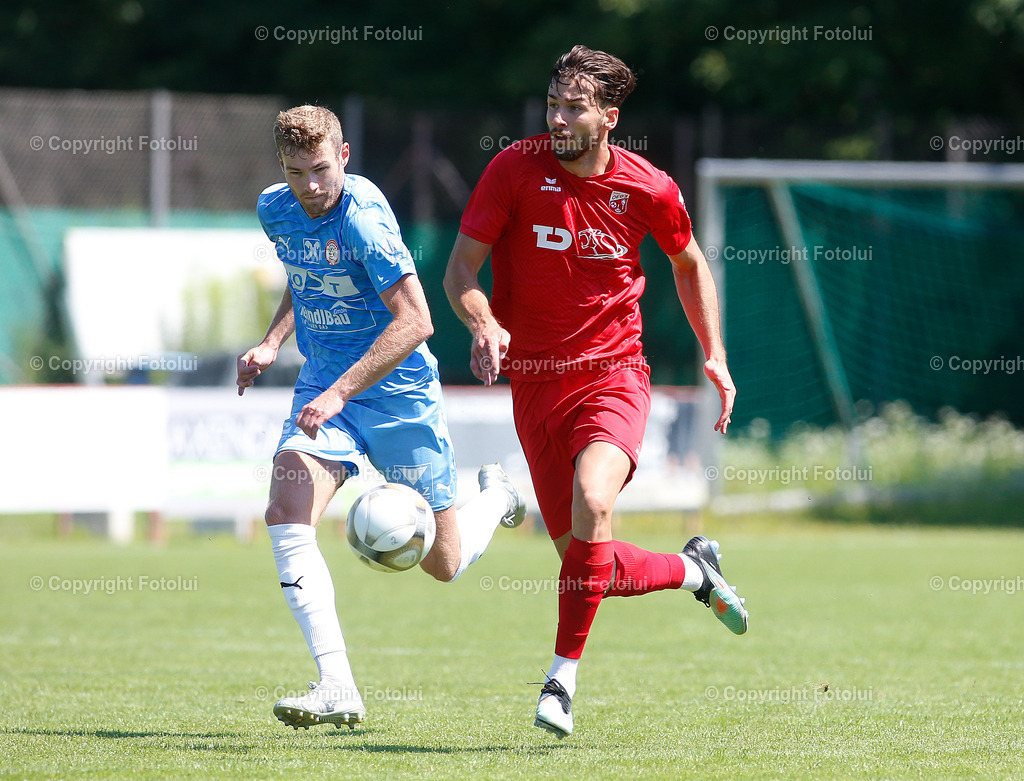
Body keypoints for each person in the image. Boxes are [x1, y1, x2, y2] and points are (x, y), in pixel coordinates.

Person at [444, 45, 748, 739]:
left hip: (615, 373)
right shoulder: (514, 168)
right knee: (592, 567)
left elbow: (689, 262)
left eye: (573, 106)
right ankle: (692, 570)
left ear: (609, 117)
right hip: (534, 387)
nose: (557, 117)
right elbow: (461, 266)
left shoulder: (648, 187)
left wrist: (716, 353)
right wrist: (486, 320)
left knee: (593, 498)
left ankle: (560, 679)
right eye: (551, 103)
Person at [237, 104, 525, 731]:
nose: (310, 187)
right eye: (295, 173)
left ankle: (496, 497)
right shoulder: (275, 208)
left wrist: (340, 393)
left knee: (442, 564)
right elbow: (305, 274)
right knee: (285, 512)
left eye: (320, 170)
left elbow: (418, 320)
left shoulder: (364, 217)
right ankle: (337, 685)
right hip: (324, 386)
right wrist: (271, 342)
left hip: (397, 391)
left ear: (343, 156)